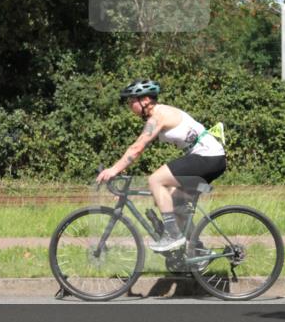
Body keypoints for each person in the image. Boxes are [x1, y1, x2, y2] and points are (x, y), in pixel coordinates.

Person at [95, 78, 226, 251]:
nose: (129, 105)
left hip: (207, 156)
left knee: (155, 180)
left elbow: (137, 148)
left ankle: (173, 235)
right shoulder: (159, 114)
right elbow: (139, 150)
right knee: (174, 202)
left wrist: (114, 170)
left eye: (132, 101)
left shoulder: (158, 116)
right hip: (211, 158)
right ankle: (197, 250)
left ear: (145, 100)